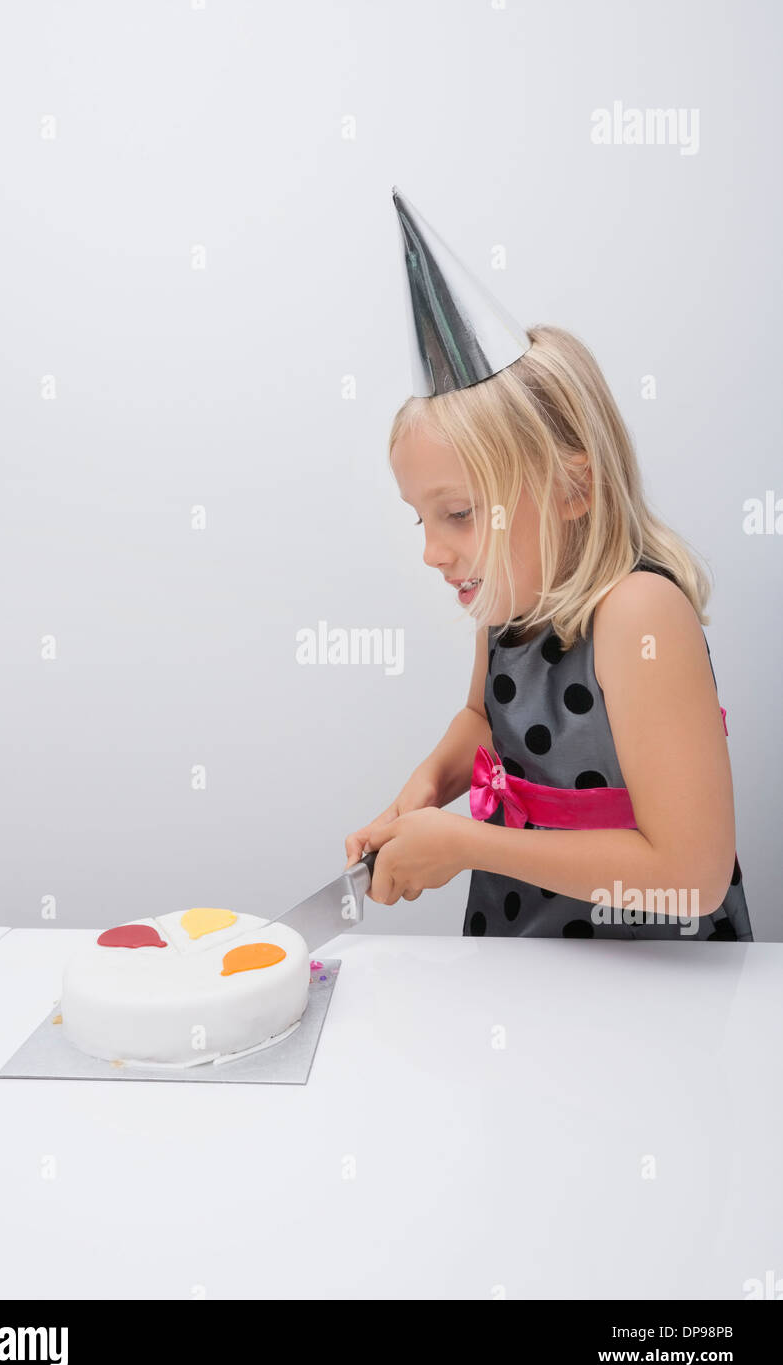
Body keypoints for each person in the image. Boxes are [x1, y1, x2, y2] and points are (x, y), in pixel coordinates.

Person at [343, 190, 751, 941]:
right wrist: (430, 788)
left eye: (459, 514)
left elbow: (692, 874)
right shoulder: (509, 600)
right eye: (422, 519)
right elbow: (482, 720)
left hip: (653, 989)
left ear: (571, 488)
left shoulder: (638, 615)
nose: (433, 551)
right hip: (524, 959)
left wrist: (467, 843)